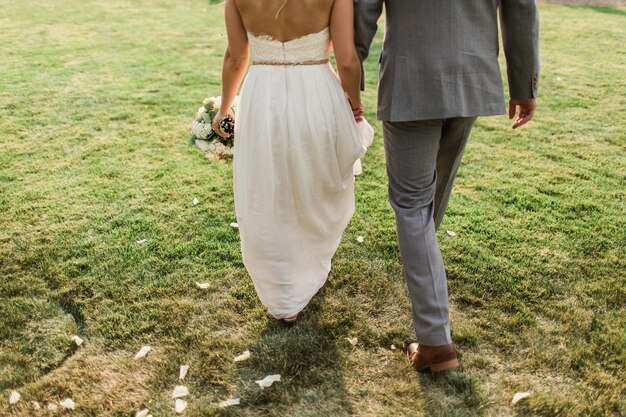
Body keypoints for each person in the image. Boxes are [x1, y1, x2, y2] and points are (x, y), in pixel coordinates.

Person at [354, 0, 540, 372]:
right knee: (430, 195)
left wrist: (350, 69)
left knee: (412, 204)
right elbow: (520, 7)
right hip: (471, 77)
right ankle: (424, 264)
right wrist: (524, 83)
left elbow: (364, 8)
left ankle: (435, 342)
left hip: (411, 78)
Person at [212, 0, 369, 323]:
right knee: (316, 182)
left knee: (269, 189)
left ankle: (285, 293)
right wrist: (354, 101)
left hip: (262, 97)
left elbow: (236, 57)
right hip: (315, 93)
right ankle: (306, 268)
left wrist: (224, 108)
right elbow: (348, 61)